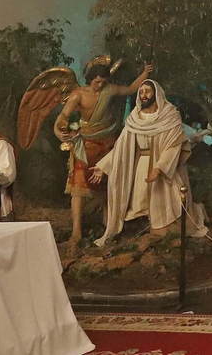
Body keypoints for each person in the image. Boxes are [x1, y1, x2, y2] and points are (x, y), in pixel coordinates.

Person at [90, 79, 206, 246]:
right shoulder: (134, 118)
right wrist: (104, 166)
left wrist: (159, 168)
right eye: (141, 92)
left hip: (164, 167)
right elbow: (121, 147)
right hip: (141, 167)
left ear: (156, 93)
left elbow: (173, 146)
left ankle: (167, 231)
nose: (144, 95)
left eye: (148, 91)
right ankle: (140, 231)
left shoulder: (169, 115)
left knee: (163, 201)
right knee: (139, 202)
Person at [52, 59, 152, 247]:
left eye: (103, 81)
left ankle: (110, 226)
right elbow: (63, 115)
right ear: (90, 79)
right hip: (86, 145)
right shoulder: (78, 95)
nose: (100, 85)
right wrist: (59, 128)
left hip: (108, 143)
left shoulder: (109, 89)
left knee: (108, 184)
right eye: (97, 81)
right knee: (78, 187)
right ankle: (76, 232)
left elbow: (131, 89)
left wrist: (145, 74)